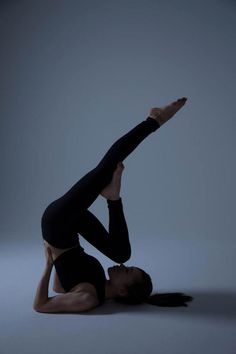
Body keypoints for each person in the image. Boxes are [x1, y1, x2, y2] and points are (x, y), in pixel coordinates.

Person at [33, 97, 193, 313]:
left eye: (127, 272)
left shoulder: (89, 298)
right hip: (71, 228)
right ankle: (113, 198)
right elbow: (60, 287)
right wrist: (60, 265)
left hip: (57, 224)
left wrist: (48, 264)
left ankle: (154, 120)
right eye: (129, 269)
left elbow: (41, 306)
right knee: (121, 253)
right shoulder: (101, 281)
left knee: (106, 168)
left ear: (123, 291)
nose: (122, 268)